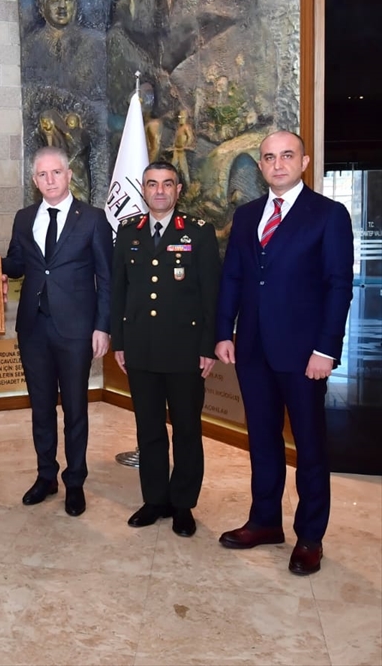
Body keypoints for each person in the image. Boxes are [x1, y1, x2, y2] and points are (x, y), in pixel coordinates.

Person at [214, 131, 353, 575]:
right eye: (269, 157)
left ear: (304, 161)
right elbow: (233, 278)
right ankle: (265, 522)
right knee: (263, 441)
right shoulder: (247, 214)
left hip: (303, 354)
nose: (277, 164)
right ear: (261, 164)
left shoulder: (328, 215)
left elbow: (338, 286)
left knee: (310, 446)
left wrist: (326, 349)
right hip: (252, 349)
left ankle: (310, 537)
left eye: (287, 156)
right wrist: (223, 332)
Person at [111, 161, 221, 537]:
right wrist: (119, 342)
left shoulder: (198, 232)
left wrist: (207, 346)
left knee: (187, 429)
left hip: (185, 350)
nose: (159, 191)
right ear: (143, 189)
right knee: (149, 429)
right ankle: (155, 499)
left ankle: (183, 504)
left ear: (178, 190)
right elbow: (118, 292)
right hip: (140, 349)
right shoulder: (128, 232)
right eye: (152, 184)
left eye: (167, 184)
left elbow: (212, 294)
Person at [3, 146, 112, 517]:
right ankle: (45, 475)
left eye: (55, 173)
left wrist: (102, 326)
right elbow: (17, 264)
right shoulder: (24, 218)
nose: (49, 180)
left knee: (76, 408)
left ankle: (75, 481)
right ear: (34, 181)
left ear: (69, 175)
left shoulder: (93, 219)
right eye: (41, 175)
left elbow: (107, 277)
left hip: (77, 329)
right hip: (33, 328)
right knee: (40, 407)